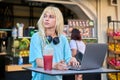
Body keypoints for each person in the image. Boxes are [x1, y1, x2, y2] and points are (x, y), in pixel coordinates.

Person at [29, 6, 79, 80]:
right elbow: (39, 62)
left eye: (51, 17)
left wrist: (72, 60)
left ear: (58, 20)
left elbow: (68, 58)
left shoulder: (63, 39)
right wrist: (55, 65)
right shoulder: (36, 37)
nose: (46, 19)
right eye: (45, 16)